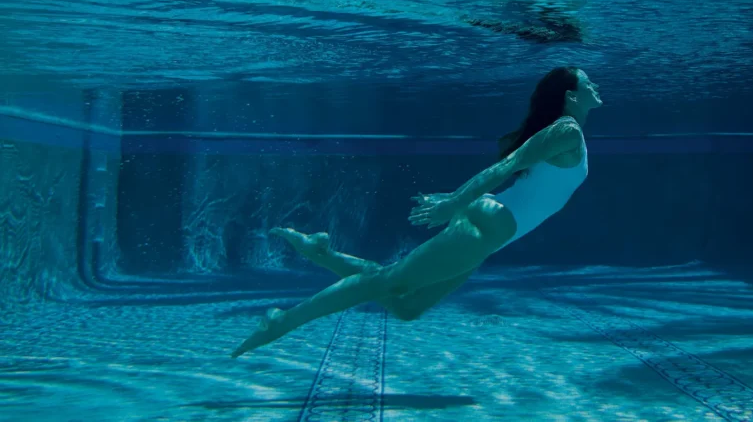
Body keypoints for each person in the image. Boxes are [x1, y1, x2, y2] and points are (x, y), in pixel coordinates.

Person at [231, 66, 602, 358]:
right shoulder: (566, 130)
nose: (595, 86)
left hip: (491, 232)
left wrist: (458, 202)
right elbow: (507, 165)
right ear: (571, 96)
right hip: (485, 226)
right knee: (390, 282)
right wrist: (455, 202)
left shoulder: (570, 134)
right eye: (588, 82)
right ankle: (284, 320)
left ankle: (321, 252)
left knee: (407, 305)